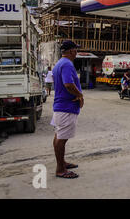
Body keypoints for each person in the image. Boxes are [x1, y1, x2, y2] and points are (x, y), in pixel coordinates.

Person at [51, 40, 84, 179]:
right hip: (66, 107)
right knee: (62, 139)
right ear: (71, 51)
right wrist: (80, 95)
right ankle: (60, 169)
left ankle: (62, 163)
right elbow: (68, 84)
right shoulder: (67, 64)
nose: (76, 52)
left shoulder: (59, 64)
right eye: (75, 50)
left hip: (61, 106)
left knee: (59, 136)